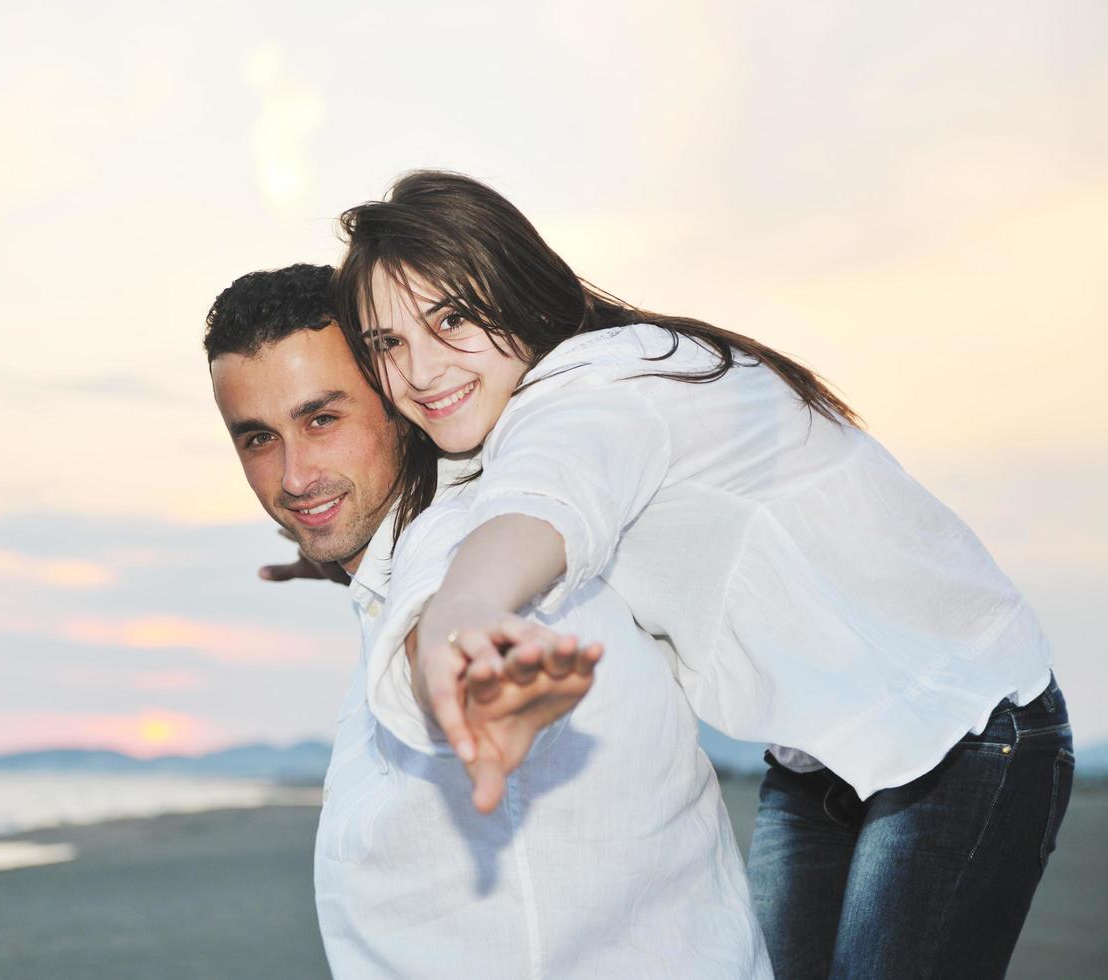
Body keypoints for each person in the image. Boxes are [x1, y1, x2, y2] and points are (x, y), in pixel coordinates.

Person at [332, 170, 1075, 979]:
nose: (422, 369)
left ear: (522, 292)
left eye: (452, 318)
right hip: (819, 760)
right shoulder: (525, 424)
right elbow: (484, 521)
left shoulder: (606, 387)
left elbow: (541, 509)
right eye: (388, 344)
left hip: (965, 725)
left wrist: (468, 613)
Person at [205, 264, 771, 978]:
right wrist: (333, 565)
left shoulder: (470, 547)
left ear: (396, 398)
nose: (293, 475)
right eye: (257, 439)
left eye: (323, 420)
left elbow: (448, 620)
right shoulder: (404, 557)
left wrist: (474, 675)